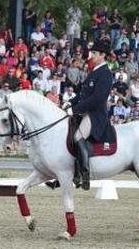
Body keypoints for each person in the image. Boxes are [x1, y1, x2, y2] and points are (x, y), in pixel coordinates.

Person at [47, 39, 114, 191]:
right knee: (67, 134)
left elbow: (97, 99)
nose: (92, 56)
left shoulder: (105, 74)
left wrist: (75, 110)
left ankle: (84, 175)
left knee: (78, 137)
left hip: (95, 115)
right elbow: (83, 94)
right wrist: (70, 102)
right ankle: (63, 175)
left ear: (103, 55)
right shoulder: (94, 71)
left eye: (95, 53)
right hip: (85, 111)